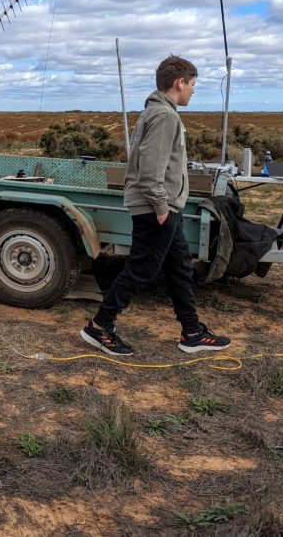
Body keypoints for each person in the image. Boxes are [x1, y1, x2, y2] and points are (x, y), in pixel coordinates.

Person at [79, 55, 231, 356]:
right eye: (192, 85)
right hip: (155, 208)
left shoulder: (156, 112)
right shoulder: (165, 116)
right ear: (179, 83)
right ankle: (99, 327)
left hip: (162, 207)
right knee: (141, 269)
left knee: (179, 268)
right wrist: (162, 208)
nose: (193, 91)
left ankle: (191, 331)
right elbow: (150, 171)